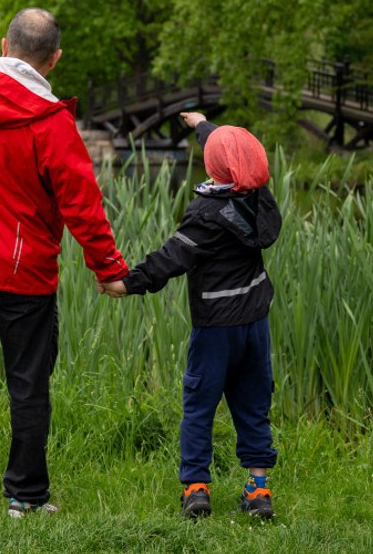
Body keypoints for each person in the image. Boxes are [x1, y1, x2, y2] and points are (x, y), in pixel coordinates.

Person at [0, 8, 129, 521]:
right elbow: (83, 205)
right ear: (54, 59)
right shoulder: (52, 123)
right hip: (24, 275)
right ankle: (25, 497)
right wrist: (108, 269)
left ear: (3, 44)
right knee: (28, 386)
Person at [100, 111, 282, 520]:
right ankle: (258, 490)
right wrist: (202, 126)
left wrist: (128, 283)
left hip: (216, 327)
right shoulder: (259, 198)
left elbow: (171, 258)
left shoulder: (206, 214)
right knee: (254, 404)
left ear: (215, 166)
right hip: (255, 322)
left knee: (199, 405)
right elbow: (233, 155)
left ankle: (196, 488)